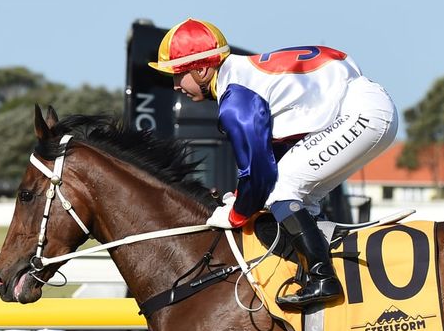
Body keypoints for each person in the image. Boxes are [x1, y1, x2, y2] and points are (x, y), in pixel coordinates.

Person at [149, 18, 399, 309]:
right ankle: (318, 269)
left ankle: (323, 278)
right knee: (300, 196)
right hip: (367, 105)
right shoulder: (242, 77)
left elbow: (260, 173)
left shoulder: (236, 99)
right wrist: (242, 198)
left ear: (203, 69)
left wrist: (235, 215)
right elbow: (271, 155)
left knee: (281, 188)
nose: (176, 86)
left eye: (178, 75)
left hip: (362, 113)